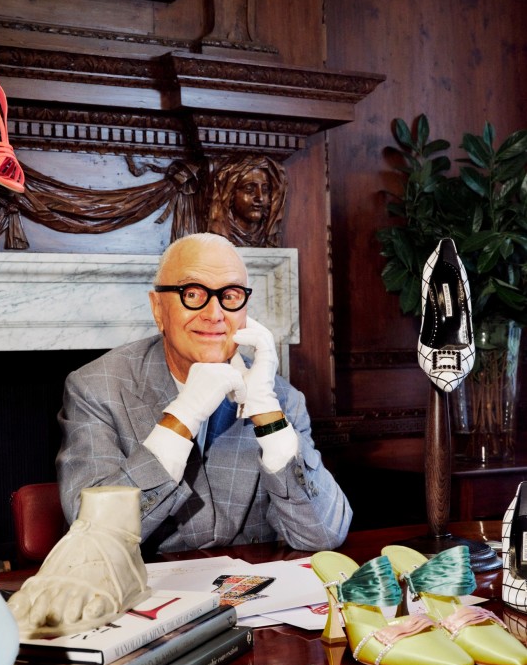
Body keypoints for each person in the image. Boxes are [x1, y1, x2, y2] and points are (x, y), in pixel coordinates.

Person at [57, 232, 352, 556]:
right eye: (193, 293)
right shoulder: (97, 387)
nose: (214, 314)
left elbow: (324, 535)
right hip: (150, 593)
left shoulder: (280, 397)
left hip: (257, 595)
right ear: (158, 308)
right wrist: (184, 415)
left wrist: (266, 410)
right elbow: (91, 541)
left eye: (230, 295)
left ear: (244, 310)